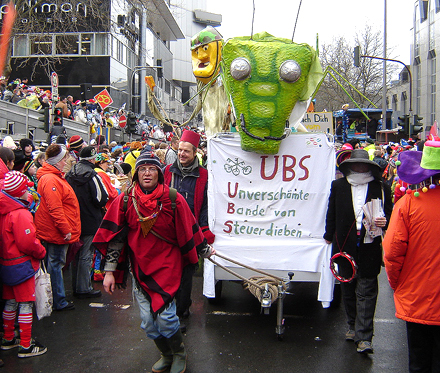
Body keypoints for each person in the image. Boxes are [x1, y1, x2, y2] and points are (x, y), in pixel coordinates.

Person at [93, 151, 215, 373]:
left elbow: (191, 229)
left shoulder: (173, 198)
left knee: (167, 318)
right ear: (136, 174)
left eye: (151, 169)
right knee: (148, 322)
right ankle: (166, 355)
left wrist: (205, 250)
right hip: (139, 269)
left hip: (168, 268)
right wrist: (109, 271)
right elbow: (116, 238)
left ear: (159, 173)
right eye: (142, 169)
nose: (147, 173)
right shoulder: (125, 200)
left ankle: (180, 354)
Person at [323, 149, 392, 354]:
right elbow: (331, 214)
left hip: (370, 245)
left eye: (364, 165)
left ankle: (364, 337)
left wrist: (384, 221)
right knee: (348, 288)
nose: (360, 168)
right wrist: (328, 236)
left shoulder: (381, 187)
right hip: (344, 246)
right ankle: (352, 326)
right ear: (350, 166)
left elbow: (389, 212)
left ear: (369, 167)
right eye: (357, 164)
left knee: (367, 290)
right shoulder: (338, 186)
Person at [383, 140, 440, 373]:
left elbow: (392, 252)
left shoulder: (408, 204)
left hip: (418, 296)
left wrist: (398, 284)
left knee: (419, 361)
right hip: (421, 295)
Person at [163, 130, 215, 324]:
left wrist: (203, 228)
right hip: (168, 231)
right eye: (179, 151)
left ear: (195, 153)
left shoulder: (204, 175)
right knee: (169, 272)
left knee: (187, 272)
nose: (182, 154)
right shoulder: (167, 171)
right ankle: (171, 308)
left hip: (190, 232)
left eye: (186, 151)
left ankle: (182, 309)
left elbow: (205, 206)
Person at [0, 171, 47, 358]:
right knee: (26, 303)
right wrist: (41, 251)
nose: (29, 191)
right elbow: (27, 242)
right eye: (26, 188)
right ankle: (26, 344)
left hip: (6, 262)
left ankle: (9, 337)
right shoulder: (20, 214)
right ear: (19, 191)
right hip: (22, 265)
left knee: (10, 302)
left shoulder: (4, 210)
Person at [35, 144, 81, 311]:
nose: (66, 161)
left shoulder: (53, 177)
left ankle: (56, 298)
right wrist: (65, 229)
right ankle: (58, 300)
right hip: (55, 231)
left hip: (55, 229)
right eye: (64, 159)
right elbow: (55, 209)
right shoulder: (50, 179)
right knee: (55, 264)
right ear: (58, 161)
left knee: (54, 263)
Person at [65, 146, 108, 299]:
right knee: (86, 254)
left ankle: (77, 286)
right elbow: (102, 198)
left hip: (73, 219)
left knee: (76, 254)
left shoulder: (69, 174)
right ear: (92, 159)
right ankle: (83, 288)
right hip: (90, 219)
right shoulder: (92, 175)